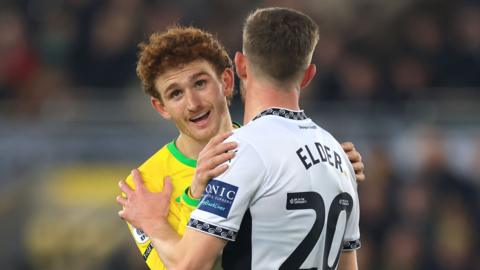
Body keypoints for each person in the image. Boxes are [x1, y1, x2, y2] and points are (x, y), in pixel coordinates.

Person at [118, 13, 364, 269]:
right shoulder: (145, 187)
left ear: (227, 80)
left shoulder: (258, 150)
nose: (193, 104)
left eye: (200, 83)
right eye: (176, 93)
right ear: (161, 107)